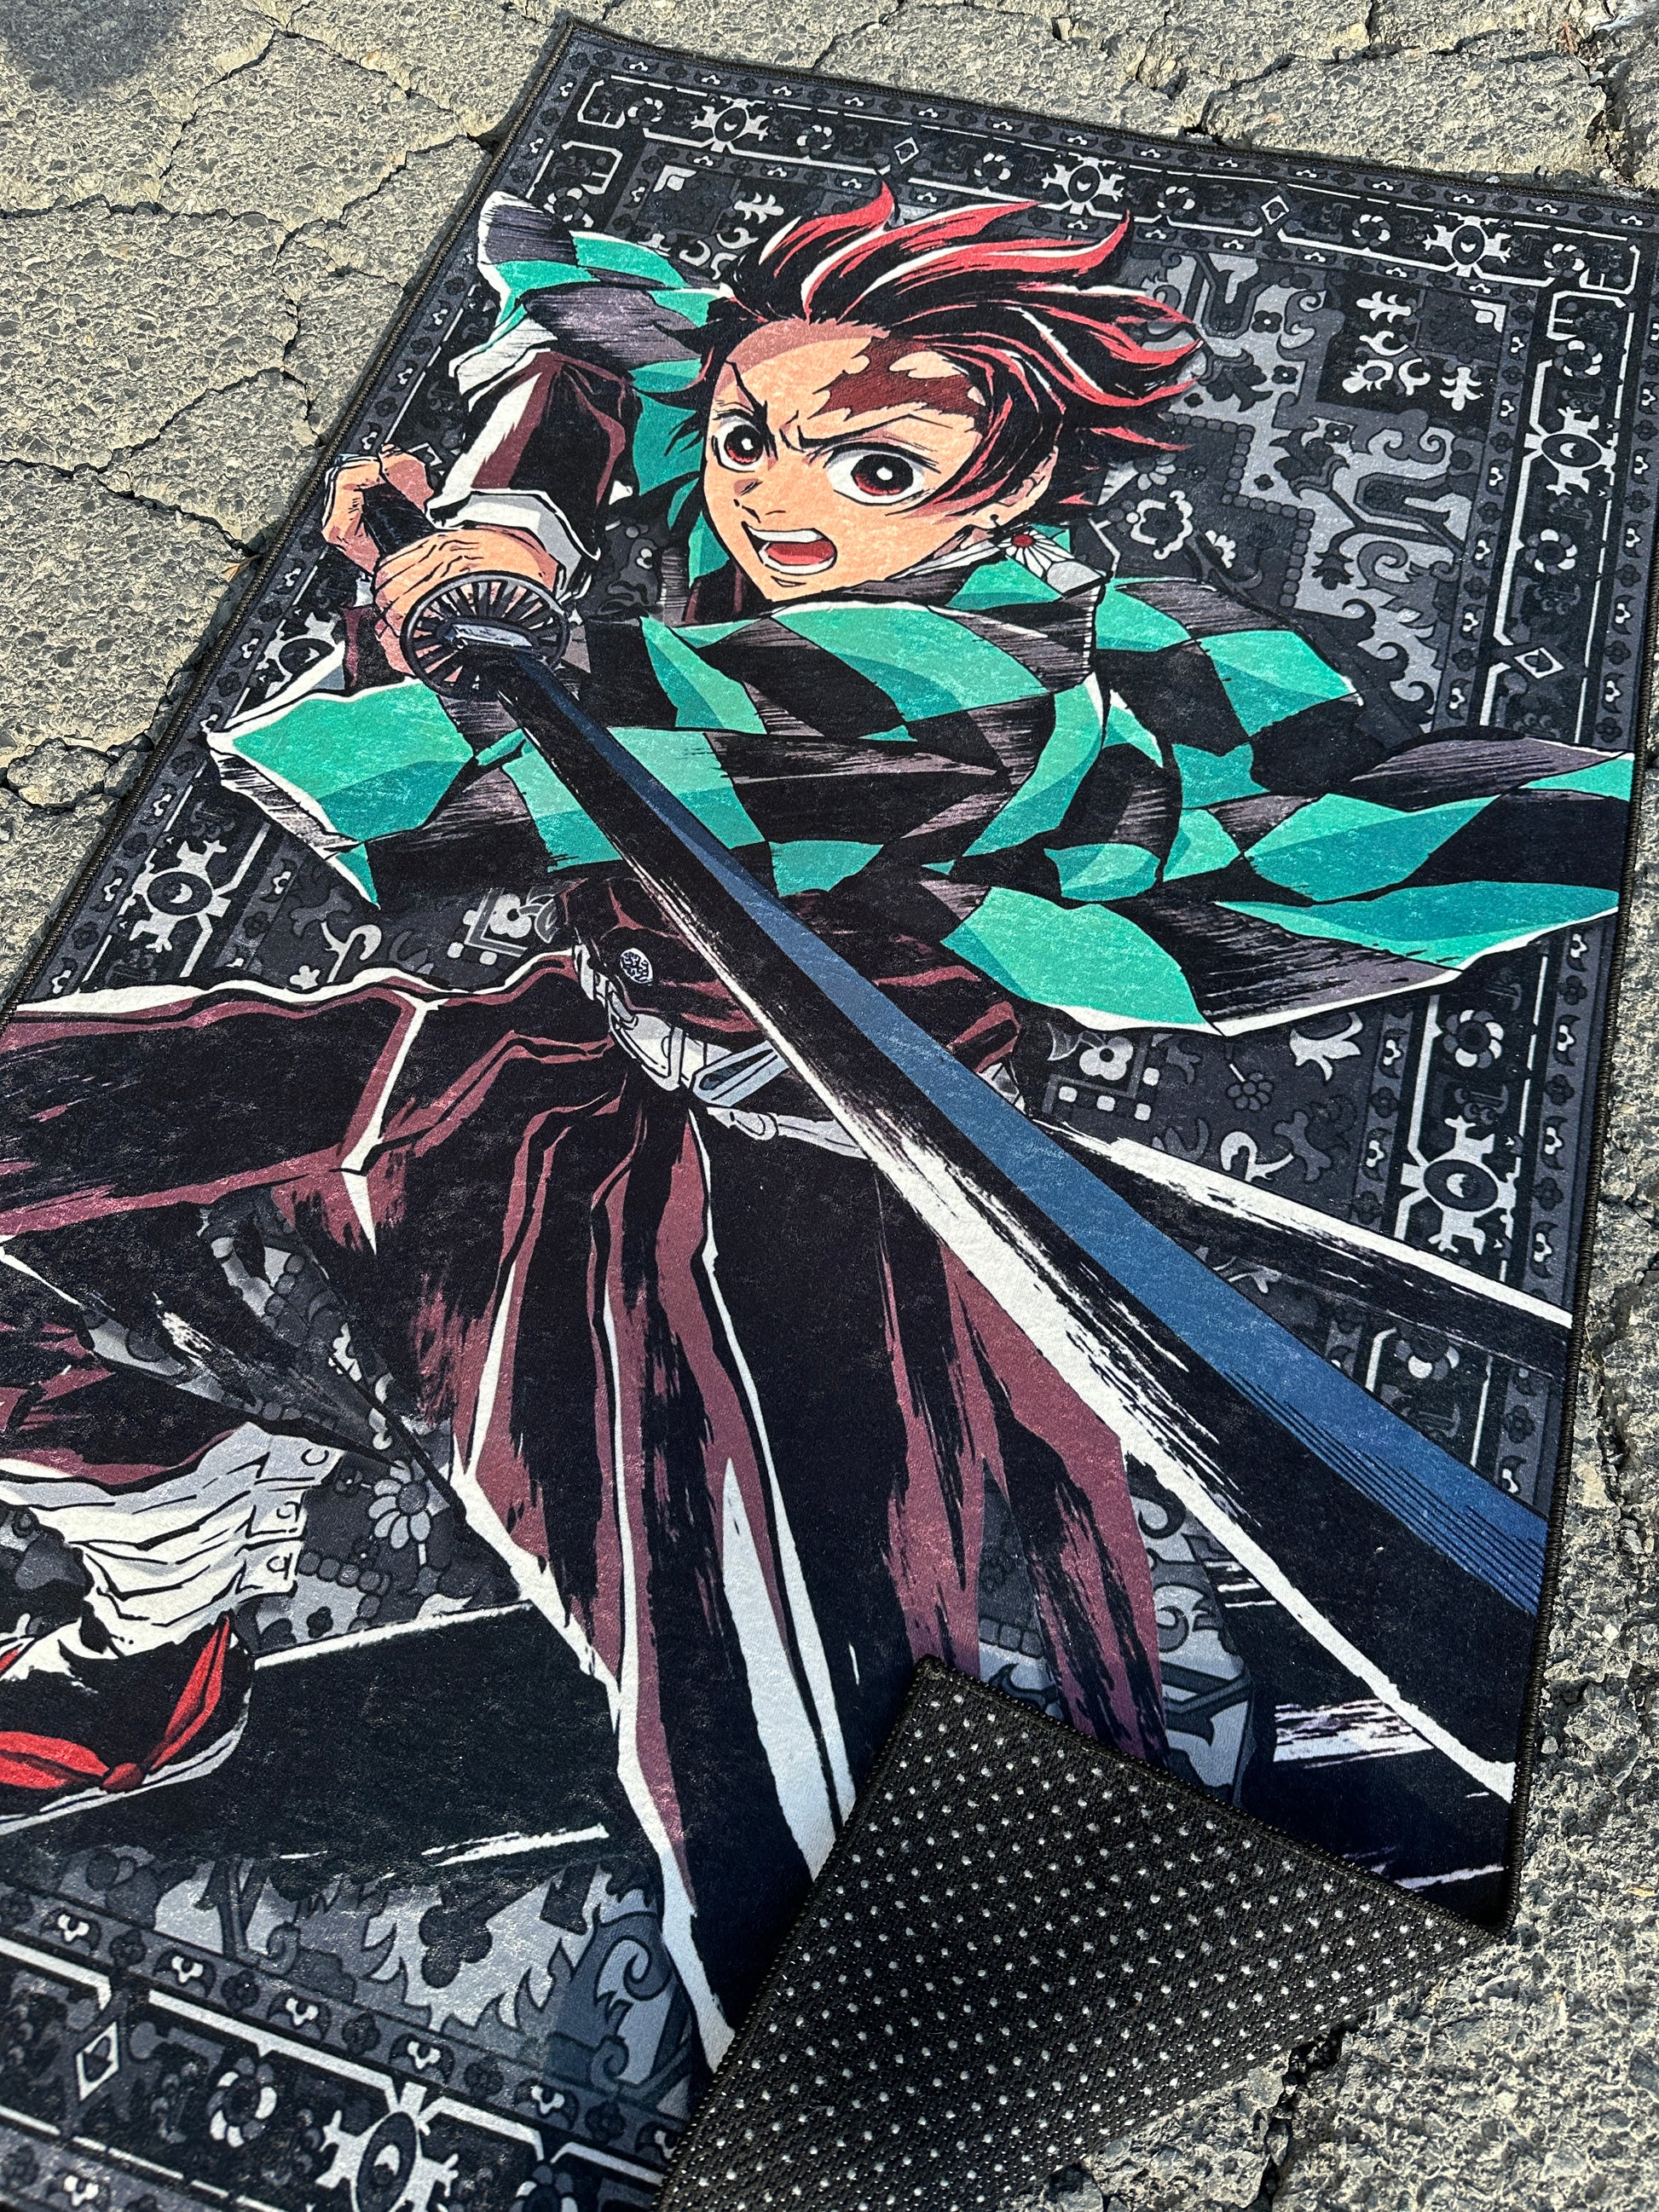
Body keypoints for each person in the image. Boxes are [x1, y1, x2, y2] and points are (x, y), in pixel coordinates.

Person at [0, 186, 1627, 2052]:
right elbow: (613, 344)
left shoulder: (963, 686)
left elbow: (416, 798)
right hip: (550, 1076)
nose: (777, 501)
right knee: (42, 1140)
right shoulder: (787, 492)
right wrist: (520, 508)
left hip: (786, 1236)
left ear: (1017, 493)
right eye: (757, 439)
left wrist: (426, 608)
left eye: (878, 469)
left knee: (827, 1884)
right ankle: (165, 1609)